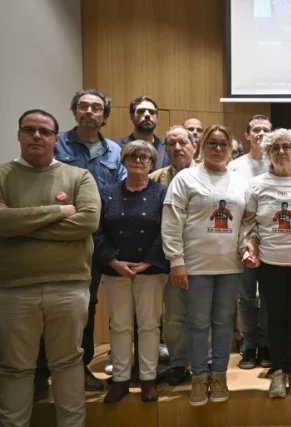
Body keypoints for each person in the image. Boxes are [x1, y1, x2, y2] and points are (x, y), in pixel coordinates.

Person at [0, 109, 99, 427]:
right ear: (18, 134)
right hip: (14, 290)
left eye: (44, 132)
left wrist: (17, 223)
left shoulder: (78, 177)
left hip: (68, 286)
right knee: (16, 368)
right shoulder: (2, 175)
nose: (37, 137)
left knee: (68, 363)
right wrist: (57, 210)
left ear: (56, 139)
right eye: (29, 130)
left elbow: (87, 221)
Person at [162, 124, 248, 406]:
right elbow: (172, 221)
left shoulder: (239, 180)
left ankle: (219, 375)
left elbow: (246, 221)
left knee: (223, 323)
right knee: (197, 323)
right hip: (195, 265)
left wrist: (247, 246)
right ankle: (199, 377)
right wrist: (176, 260)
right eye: (213, 143)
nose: (219, 148)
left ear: (232, 148)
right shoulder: (186, 178)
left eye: (224, 144)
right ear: (202, 146)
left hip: (230, 265)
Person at [241, 129, 291, 399]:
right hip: (270, 262)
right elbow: (249, 224)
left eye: (286, 146)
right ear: (267, 153)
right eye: (274, 147)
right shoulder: (257, 184)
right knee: (274, 318)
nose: (281, 152)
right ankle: (278, 372)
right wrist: (249, 247)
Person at [54, 88, 126, 392]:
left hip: (99, 240)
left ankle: (81, 368)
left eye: (97, 108)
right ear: (74, 112)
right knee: (59, 305)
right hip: (63, 237)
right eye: (83, 106)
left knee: (89, 305)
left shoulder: (114, 151)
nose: (90, 112)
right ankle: (51, 369)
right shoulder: (57, 144)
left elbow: (121, 193)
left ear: (104, 116)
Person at [95, 140, 169, 403]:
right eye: (133, 156)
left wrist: (148, 262)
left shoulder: (162, 192)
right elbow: (97, 231)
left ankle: (148, 379)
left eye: (145, 157)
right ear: (124, 160)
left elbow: (168, 230)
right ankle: (121, 380)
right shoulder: (107, 192)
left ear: (152, 163)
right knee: (120, 326)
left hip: (150, 271)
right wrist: (114, 262)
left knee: (150, 326)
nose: (139, 160)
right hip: (116, 271)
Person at [149, 125, 197, 386]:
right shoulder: (155, 178)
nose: (177, 147)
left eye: (183, 142)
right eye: (171, 143)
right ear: (165, 149)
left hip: (204, 256)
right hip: (170, 257)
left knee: (203, 315)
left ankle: (205, 362)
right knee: (175, 315)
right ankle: (179, 363)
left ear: (194, 145)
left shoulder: (207, 174)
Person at [230, 114, 273, 370]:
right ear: (246, 135)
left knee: (267, 296)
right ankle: (248, 346)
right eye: (255, 129)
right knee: (245, 297)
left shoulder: (276, 164)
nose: (260, 133)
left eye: (265, 129)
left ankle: (266, 344)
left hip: (271, 240)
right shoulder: (235, 166)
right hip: (242, 238)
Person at [116, 96, 169, 170]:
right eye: (141, 111)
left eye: (152, 112)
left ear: (156, 118)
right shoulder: (117, 148)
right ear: (132, 117)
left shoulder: (167, 148)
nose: (147, 115)